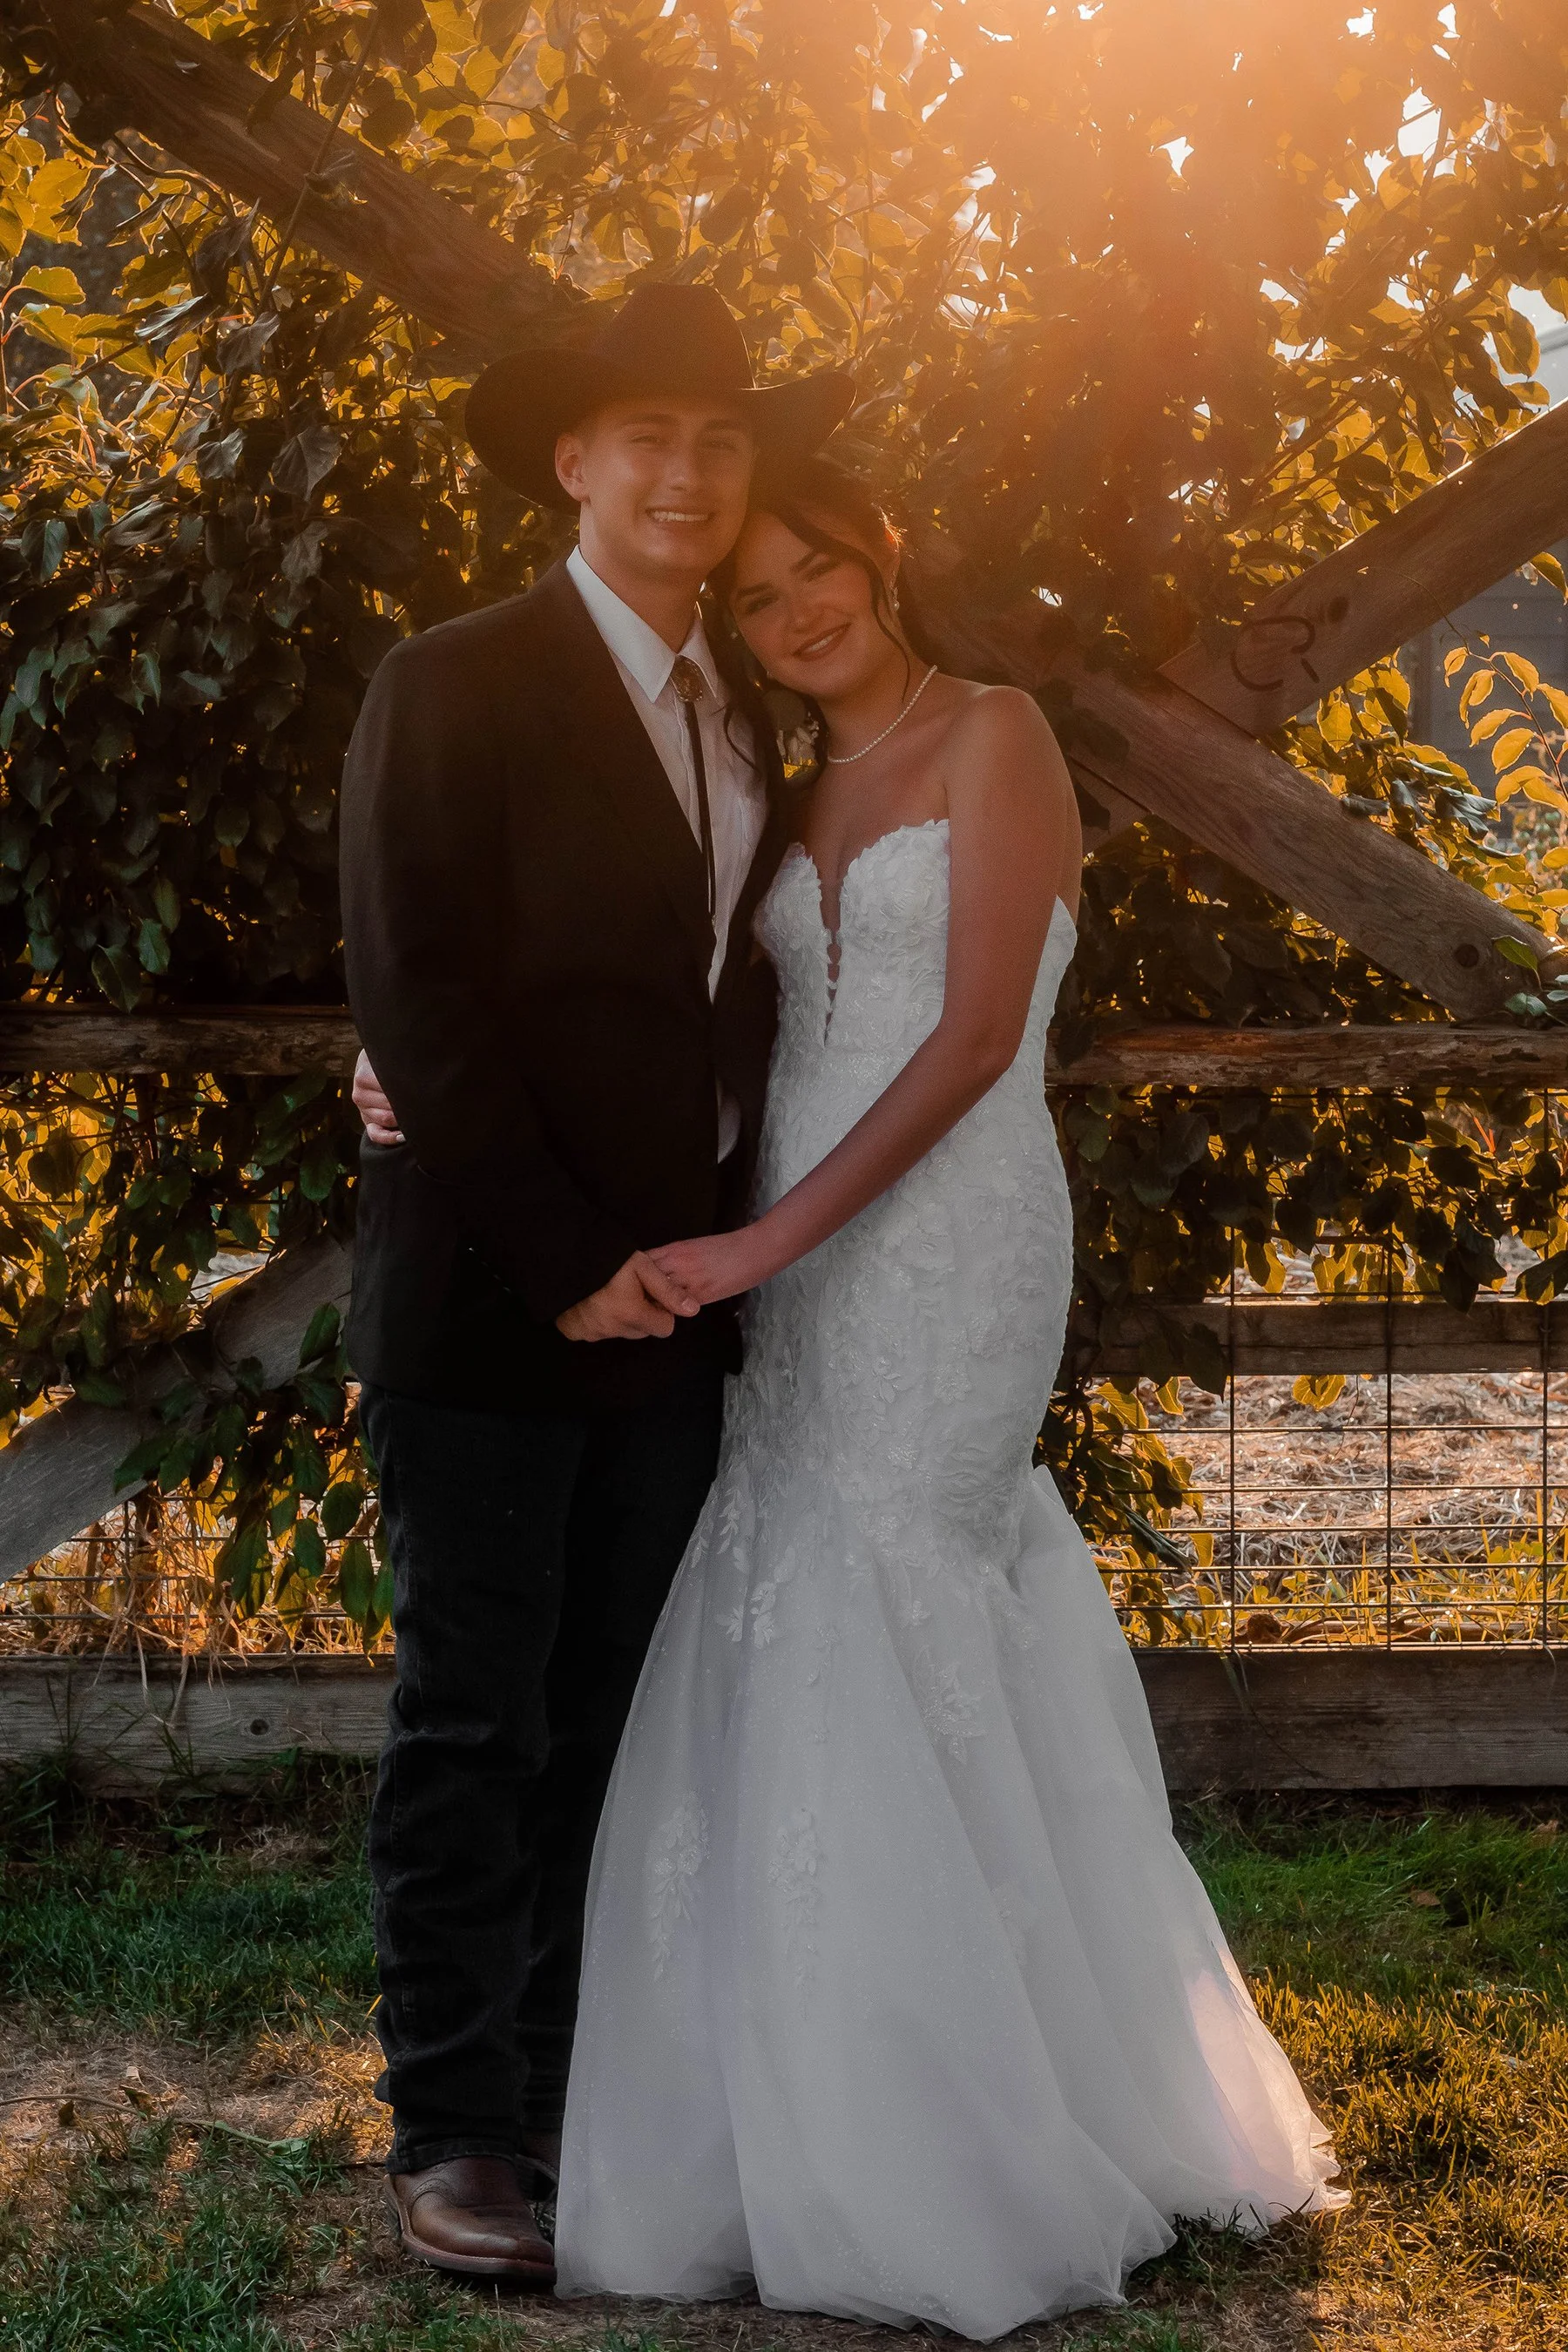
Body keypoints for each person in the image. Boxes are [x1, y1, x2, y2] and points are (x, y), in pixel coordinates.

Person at [547, 457, 1348, 2333]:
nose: (796, 609)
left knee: (895, 1570)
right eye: (756, 598)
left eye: (818, 566)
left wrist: (761, 1249)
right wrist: (400, 1080)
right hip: (788, 1227)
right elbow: (710, 1019)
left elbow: (980, 1038)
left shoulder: (997, 737)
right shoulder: (778, 788)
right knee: (784, 1570)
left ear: (880, 558)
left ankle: (971, 2128)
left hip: (952, 1231)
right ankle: (787, 2109)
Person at [337, 283, 852, 2287]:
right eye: (646, 436)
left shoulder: (747, 706)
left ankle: (569, 2094)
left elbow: (727, 991)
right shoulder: (451, 682)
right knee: (475, 1717)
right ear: (573, 461)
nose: (686, 473)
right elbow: (420, 994)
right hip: (495, 1296)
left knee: (619, 1716)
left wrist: (688, 1265)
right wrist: (568, 1270)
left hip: (684, 1308)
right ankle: (454, 2125)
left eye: (721, 441)